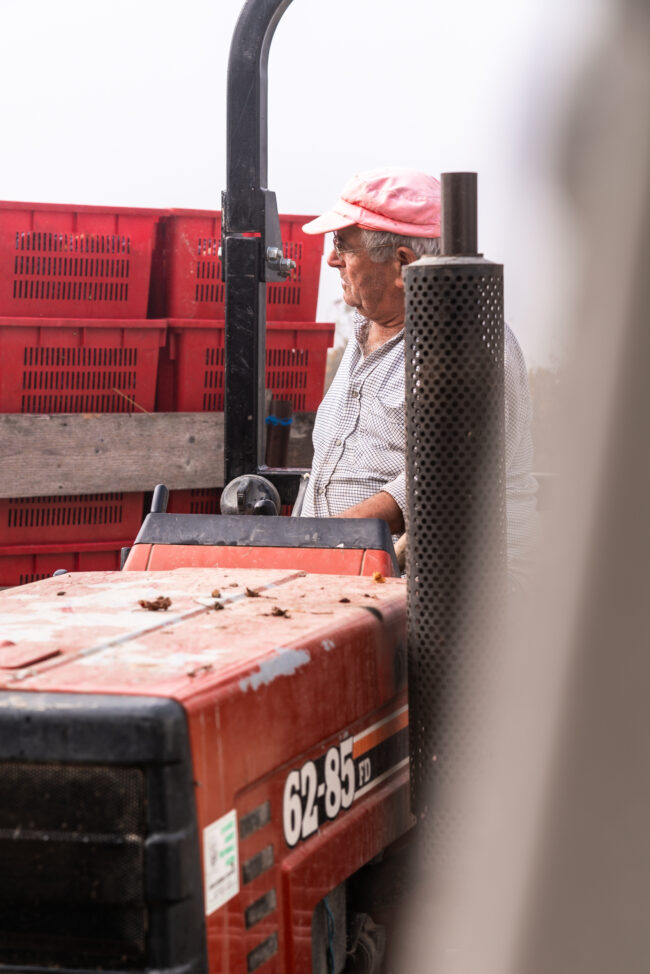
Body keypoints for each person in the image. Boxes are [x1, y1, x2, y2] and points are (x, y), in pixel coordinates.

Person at [299, 167, 537, 582]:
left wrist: (316, 540)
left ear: (401, 265)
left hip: (452, 595)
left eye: (342, 245)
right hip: (346, 572)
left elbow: (438, 482)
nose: (331, 258)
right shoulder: (366, 333)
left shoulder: (465, 343)